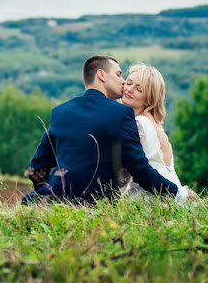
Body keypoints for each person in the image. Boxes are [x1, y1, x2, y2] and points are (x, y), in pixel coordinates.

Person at [23, 56, 195, 204]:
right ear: (101, 75)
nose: (123, 83)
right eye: (120, 75)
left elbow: (37, 166)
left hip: (56, 199)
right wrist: (179, 193)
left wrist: (48, 193)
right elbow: (139, 169)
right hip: (100, 204)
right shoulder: (120, 114)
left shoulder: (60, 111)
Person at [119, 63, 181, 197]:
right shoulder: (154, 124)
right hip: (171, 194)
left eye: (139, 89)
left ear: (150, 98)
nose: (129, 89)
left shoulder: (139, 123)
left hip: (156, 198)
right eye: (129, 83)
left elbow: (133, 168)